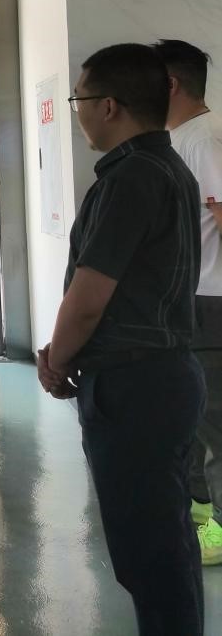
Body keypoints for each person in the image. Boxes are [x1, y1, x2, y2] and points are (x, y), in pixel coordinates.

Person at [37, 43, 205, 634]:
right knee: (165, 541)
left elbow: (89, 298)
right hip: (160, 376)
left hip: (135, 385)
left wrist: (56, 361)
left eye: (79, 99)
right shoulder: (166, 168)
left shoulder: (131, 177)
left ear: (108, 105)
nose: (78, 111)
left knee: (149, 554)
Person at [155, 39, 222, 567]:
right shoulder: (179, 139)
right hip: (187, 300)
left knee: (215, 422)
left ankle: (219, 526)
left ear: (171, 84)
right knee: (193, 415)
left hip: (212, 302)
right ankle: (201, 509)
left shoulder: (205, 140)